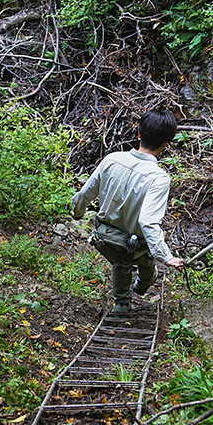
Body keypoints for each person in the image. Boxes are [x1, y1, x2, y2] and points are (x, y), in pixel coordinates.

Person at [72, 108, 184, 316]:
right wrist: (167, 257)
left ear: (139, 133)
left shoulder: (112, 159)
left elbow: (85, 193)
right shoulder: (159, 178)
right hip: (134, 245)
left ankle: (122, 303)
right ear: (165, 144)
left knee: (121, 260)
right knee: (143, 257)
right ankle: (142, 283)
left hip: (104, 238)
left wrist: (77, 211)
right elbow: (148, 222)